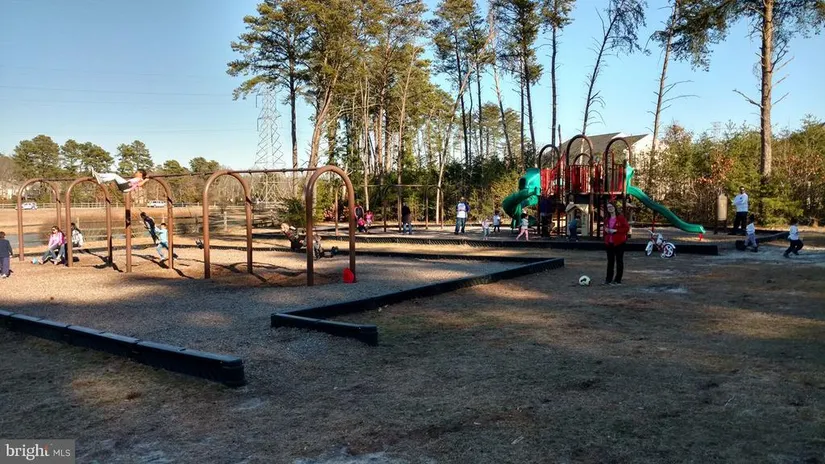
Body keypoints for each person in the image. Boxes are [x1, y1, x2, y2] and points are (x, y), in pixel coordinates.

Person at [604, 202, 630, 285]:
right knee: (610, 261)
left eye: (611, 206)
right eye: (608, 207)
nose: (610, 208)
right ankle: (608, 279)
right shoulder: (607, 219)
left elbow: (626, 228)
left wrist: (616, 230)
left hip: (619, 243)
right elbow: (605, 229)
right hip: (609, 243)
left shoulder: (621, 218)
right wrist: (606, 230)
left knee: (619, 261)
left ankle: (618, 279)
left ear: (614, 207)